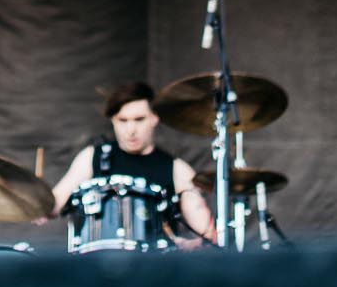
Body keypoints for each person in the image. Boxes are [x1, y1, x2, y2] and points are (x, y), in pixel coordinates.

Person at [48, 81, 218, 247]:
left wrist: (191, 245)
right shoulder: (92, 157)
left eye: (139, 119)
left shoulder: (177, 170)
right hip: (96, 266)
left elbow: (208, 234)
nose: (131, 130)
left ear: (154, 118)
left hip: (156, 269)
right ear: (113, 120)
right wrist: (34, 204)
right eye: (123, 120)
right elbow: (54, 202)